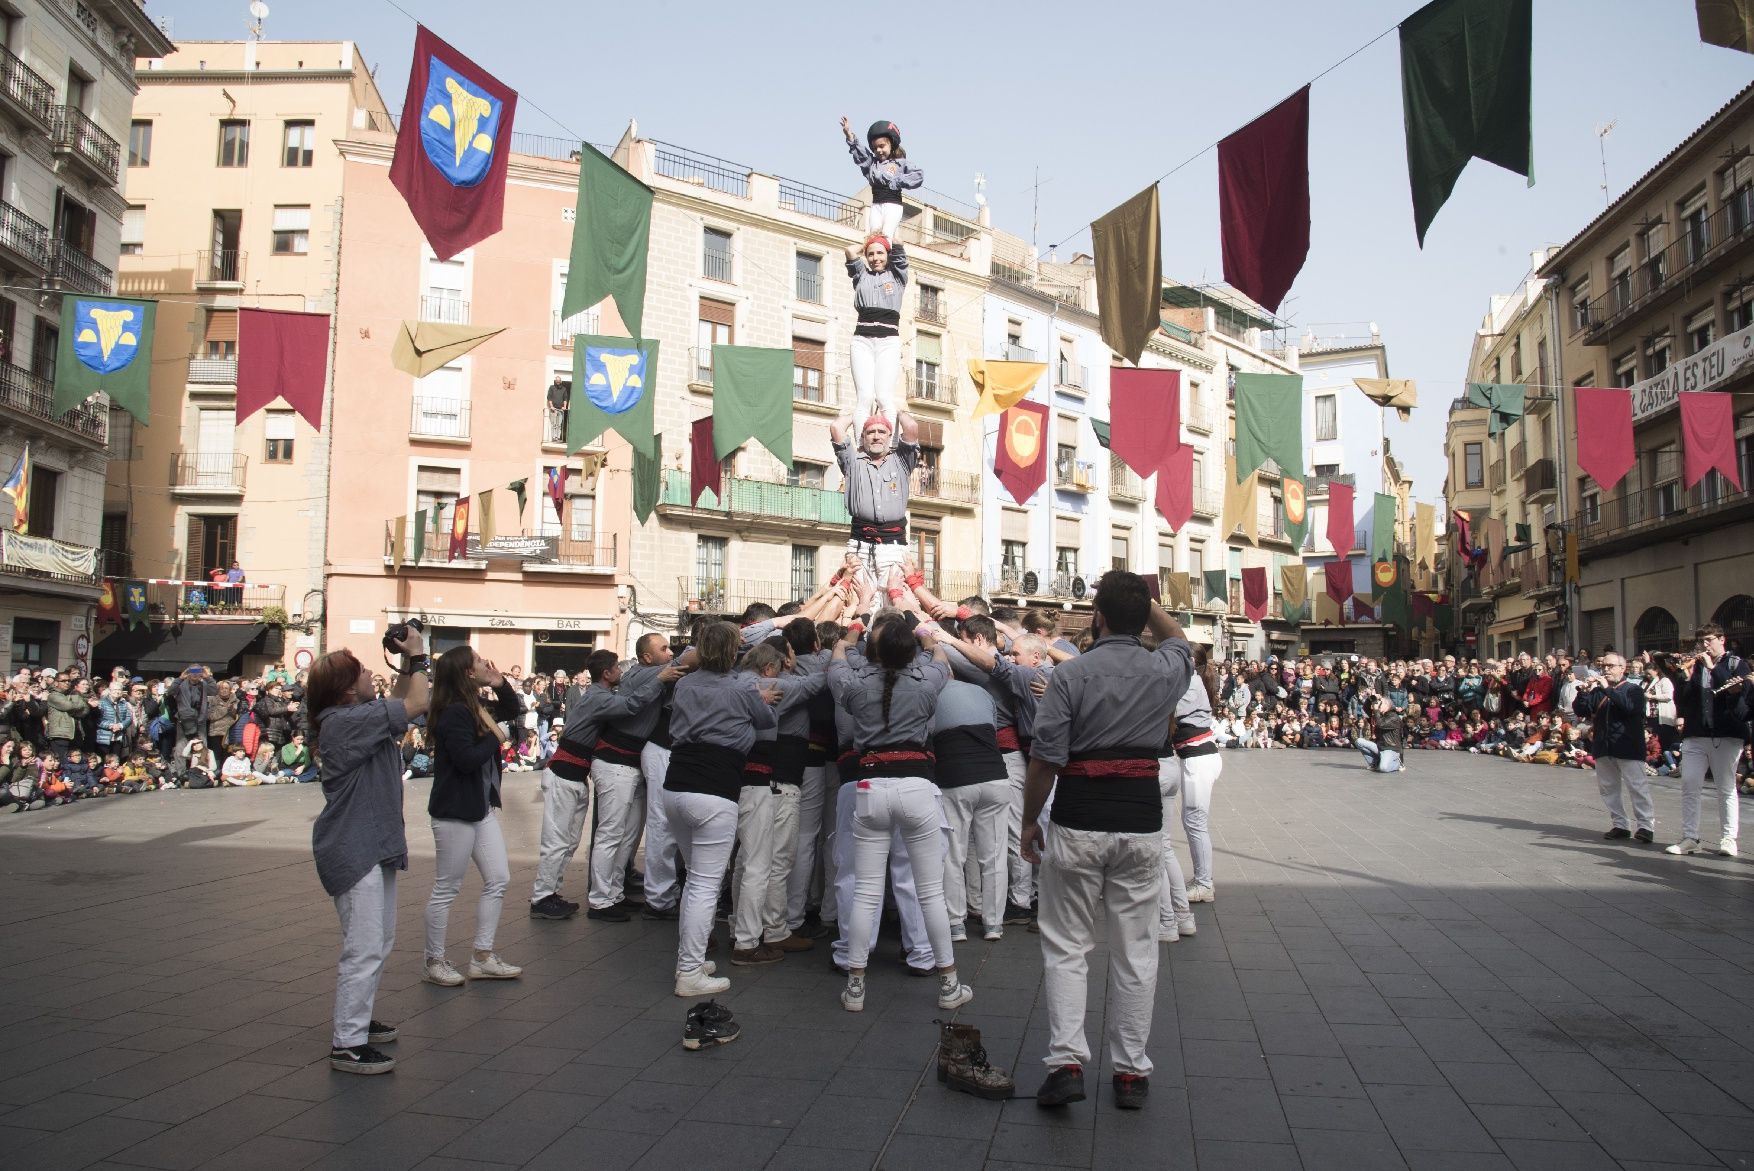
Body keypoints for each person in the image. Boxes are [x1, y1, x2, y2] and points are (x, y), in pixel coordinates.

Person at [1020, 571, 1191, 1110]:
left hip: (1078, 818)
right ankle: (1130, 1072)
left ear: (1097, 616)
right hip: (1141, 821)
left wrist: (1029, 822)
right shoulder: (1165, 668)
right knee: (1136, 949)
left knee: (1068, 944)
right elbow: (1180, 639)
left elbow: (1045, 760)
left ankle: (1067, 1061)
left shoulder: (1071, 675)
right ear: (1142, 618)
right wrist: (1149, 604)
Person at [828, 614, 971, 1015]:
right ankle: (949, 983)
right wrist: (926, 636)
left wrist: (851, 634)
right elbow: (940, 657)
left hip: (870, 785)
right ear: (909, 652)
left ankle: (856, 986)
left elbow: (838, 660)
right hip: (916, 787)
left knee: (866, 893)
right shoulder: (927, 682)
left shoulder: (855, 686)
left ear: (873, 653)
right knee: (929, 892)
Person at [307, 628, 429, 1076]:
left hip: (372, 842)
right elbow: (416, 704)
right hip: (354, 845)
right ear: (343, 689)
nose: (368, 674)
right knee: (363, 946)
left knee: (379, 940)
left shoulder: (357, 715)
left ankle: (358, 1020)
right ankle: (348, 1044)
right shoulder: (343, 722)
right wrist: (419, 656)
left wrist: (404, 662)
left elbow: (397, 704)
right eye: (359, 672)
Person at [664, 621, 780, 998]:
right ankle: (689, 972)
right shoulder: (743, 685)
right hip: (715, 787)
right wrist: (760, 701)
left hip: (676, 783)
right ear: (734, 652)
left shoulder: (684, 683)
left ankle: (692, 958)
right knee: (704, 885)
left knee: (694, 879)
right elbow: (765, 722)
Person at [422, 647, 524, 989]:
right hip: (455, 812)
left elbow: (512, 709)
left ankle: (482, 957)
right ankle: (434, 961)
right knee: (446, 888)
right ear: (467, 672)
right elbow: (466, 760)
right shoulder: (455, 712)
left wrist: (500, 683)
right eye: (480, 661)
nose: (486, 663)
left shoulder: (474, 706)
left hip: (478, 809)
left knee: (498, 878)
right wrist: (496, 739)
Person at [1663, 624, 1749, 857]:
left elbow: (1734, 690)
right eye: (1701, 641)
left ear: (1722, 639)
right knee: (1690, 784)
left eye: (1709, 640)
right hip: (1696, 734)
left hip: (1727, 734)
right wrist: (1683, 677)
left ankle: (1729, 838)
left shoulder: (1735, 663)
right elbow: (1682, 700)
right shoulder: (1697, 665)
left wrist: (1712, 668)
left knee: (1726, 786)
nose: (1704, 645)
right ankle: (1691, 837)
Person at [831, 412, 920, 585]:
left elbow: (912, 427)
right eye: (871, 432)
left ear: (890, 436)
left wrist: (895, 411)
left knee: (894, 601)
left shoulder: (901, 460)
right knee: (857, 598)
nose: (876, 436)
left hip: (894, 546)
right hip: (859, 545)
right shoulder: (852, 461)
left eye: (881, 431)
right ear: (863, 436)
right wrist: (860, 409)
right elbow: (836, 427)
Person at [1575, 653, 1655, 843]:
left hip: (1628, 746)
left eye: (1610, 666)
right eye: (1604, 666)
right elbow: (1581, 711)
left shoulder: (1633, 690)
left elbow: (1630, 708)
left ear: (1622, 668)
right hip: (1604, 746)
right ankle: (1620, 824)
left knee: (1637, 787)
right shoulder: (1599, 691)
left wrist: (1607, 689)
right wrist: (1584, 692)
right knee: (1608, 788)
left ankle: (1645, 826)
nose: (1606, 670)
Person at [841, 230, 910, 429]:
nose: (875, 258)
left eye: (880, 253)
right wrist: (869, 242)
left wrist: (883, 236)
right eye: (871, 254)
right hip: (862, 340)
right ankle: (862, 445)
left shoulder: (897, 276)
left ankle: (889, 446)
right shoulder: (861, 274)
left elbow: (898, 241)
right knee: (864, 398)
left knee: (884, 397)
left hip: (888, 341)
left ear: (888, 255)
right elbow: (849, 250)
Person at [1176, 648, 1223, 905]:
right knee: (1191, 819)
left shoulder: (1191, 683)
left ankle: (1204, 883)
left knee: (1195, 820)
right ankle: (1201, 880)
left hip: (1199, 758)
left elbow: (1165, 710)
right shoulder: (1188, 681)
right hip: (1193, 757)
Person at [839, 116, 921, 243]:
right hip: (876, 204)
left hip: (892, 204)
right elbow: (861, 154)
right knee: (873, 236)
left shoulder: (901, 163)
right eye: (875, 148)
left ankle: (889, 257)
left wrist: (897, 182)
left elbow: (918, 176)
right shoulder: (872, 164)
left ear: (891, 144)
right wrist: (849, 135)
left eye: (882, 146)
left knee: (887, 235)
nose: (879, 150)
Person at [1355, 695, 1406, 773]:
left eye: (1380, 703)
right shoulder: (1379, 715)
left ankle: (1398, 764)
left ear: (1387, 705)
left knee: (1383, 768)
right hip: (1380, 747)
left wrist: (1376, 709)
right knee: (1359, 741)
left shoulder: (1394, 717)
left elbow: (1381, 724)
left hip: (1391, 748)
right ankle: (1375, 763)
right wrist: (1371, 698)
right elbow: (1366, 708)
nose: (1377, 705)